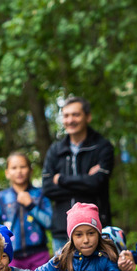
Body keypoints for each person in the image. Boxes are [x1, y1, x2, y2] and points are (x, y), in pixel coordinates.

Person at [41, 96, 115, 252]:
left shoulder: (102, 146)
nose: (70, 120)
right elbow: (47, 188)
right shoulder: (55, 150)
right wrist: (87, 181)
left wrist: (61, 179)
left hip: (95, 230)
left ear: (87, 117)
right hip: (62, 231)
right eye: (66, 116)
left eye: (76, 115)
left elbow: (98, 183)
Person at [0, 152, 53, 269]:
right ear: (7, 173)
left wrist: (30, 205)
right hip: (10, 257)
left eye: (23, 167)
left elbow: (50, 222)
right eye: (14, 168)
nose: (19, 171)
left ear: (30, 170)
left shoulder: (40, 194)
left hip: (39, 255)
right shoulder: (1, 198)